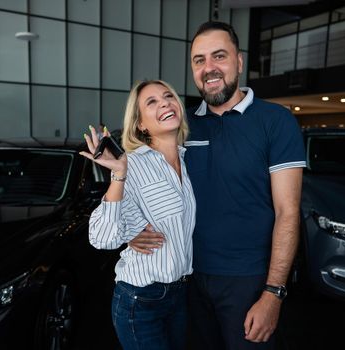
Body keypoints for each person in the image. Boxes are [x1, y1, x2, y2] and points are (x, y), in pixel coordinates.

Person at [129, 21, 306, 349]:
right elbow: (147, 182)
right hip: (186, 280)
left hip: (249, 282)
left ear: (239, 61)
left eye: (219, 56)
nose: (208, 68)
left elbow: (288, 211)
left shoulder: (275, 121)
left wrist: (274, 293)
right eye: (199, 60)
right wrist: (133, 226)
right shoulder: (181, 126)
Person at [81, 79, 196, 350]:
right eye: (152, 101)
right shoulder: (131, 165)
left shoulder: (188, 161)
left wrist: (132, 232)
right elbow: (100, 238)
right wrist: (118, 175)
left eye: (168, 96)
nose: (165, 102)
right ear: (141, 124)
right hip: (141, 300)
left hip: (180, 294)